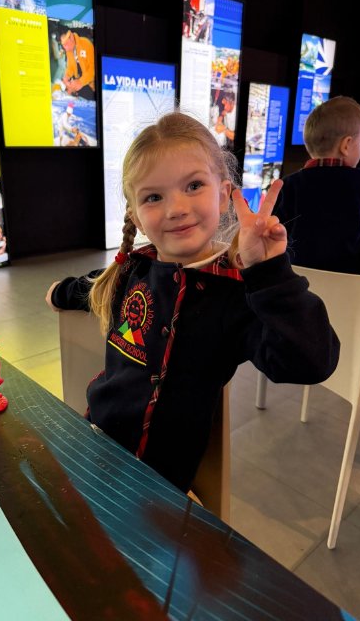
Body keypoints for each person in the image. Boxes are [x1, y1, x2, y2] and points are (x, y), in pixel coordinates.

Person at [44, 111, 339, 494]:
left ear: (223, 193)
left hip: (157, 485)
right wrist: (59, 291)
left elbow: (311, 361)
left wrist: (270, 273)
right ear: (136, 215)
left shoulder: (235, 295)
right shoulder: (132, 268)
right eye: (154, 197)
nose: (176, 208)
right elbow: (92, 287)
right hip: (94, 445)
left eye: (194, 185)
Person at [273, 96, 360, 275]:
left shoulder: (289, 184)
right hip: (350, 277)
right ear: (346, 145)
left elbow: (276, 226)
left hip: (297, 277)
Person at [59, 27, 95, 101]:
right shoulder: (69, 50)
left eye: (67, 44)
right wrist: (67, 75)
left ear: (72, 37)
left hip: (91, 86)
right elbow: (70, 67)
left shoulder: (86, 44)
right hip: (79, 85)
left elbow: (93, 68)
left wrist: (81, 82)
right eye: (64, 45)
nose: (66, 49)